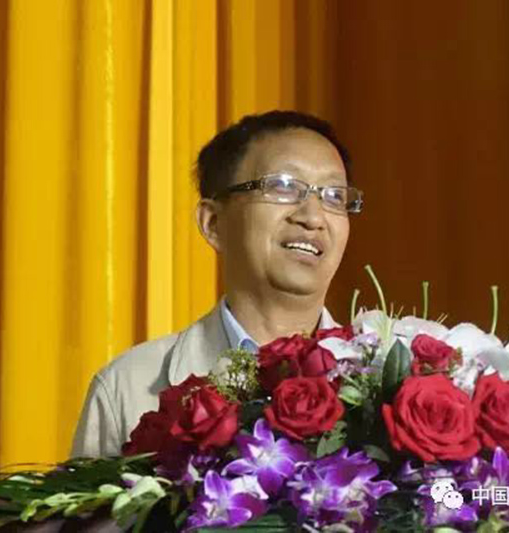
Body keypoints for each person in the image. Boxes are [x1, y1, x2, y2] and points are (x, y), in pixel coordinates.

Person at [71, 110, 364, 457]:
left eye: (334, 196)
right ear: (213, 223)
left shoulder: (389, 383)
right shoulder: (127, 386)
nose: (313, 217)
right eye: (283, 186)